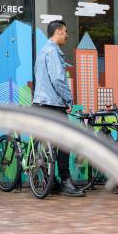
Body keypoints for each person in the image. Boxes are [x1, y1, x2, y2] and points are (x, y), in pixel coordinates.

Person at [32, 20, 84, 197]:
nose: (68, 35)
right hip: (53, 104)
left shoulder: (42, 50)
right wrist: (69, 99)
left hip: (39, 103)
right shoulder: (53, 51)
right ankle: (65, 182)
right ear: (59, 32)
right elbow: (58, 79)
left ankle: (49, 180)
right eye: (66, 31)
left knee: (47, 144)